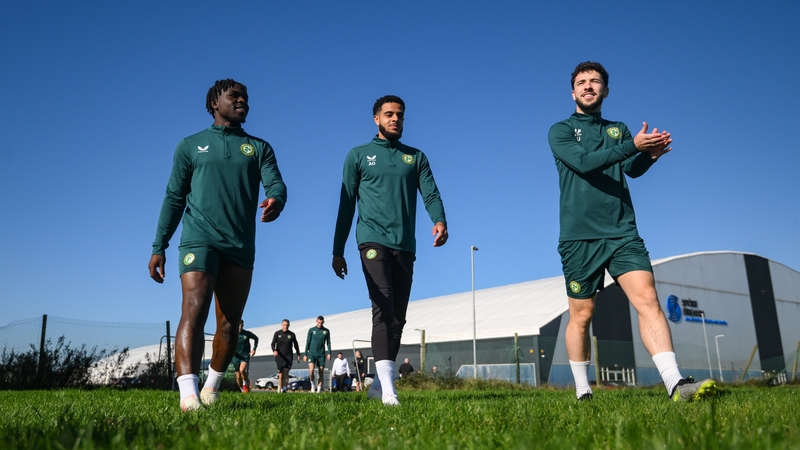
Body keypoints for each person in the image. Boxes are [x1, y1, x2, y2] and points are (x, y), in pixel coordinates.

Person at [548, 61, 716, 402]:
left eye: (595, 81)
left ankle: (675, 384)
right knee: (582, 314)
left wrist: (649, 156)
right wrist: (633, 147)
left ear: (606, 91)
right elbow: (584, 164)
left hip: (622, 232)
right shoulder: (560, 131)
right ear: (573, 92)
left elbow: (630, 169)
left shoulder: (618, 129)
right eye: (582, 82)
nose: (589, 86)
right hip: (580, 238)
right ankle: (583, 390)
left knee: (648, 298)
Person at [148, 79, 287, 411]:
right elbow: (174, 197)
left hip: (240, 245)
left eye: (246, 98)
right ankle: (188, 394)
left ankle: (211, 387)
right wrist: (159, 245)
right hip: (199, 238)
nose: (243, 102)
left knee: (229, 323)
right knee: (194, 308)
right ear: (214, 103)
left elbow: (276, 182)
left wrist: (277, 199)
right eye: (234, 96)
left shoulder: (259, 148)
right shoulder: (190, 146)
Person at [332, 95, 448, 406]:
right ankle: (389, 391)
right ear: (376, 119)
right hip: (371, 240)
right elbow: (346, 205)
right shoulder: (358, 155)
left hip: (404, 245)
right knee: (382, 306)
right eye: (388, 114)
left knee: (398, 318)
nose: (394, 119)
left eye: (399, 115)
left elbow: (431, 193)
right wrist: (337, 249)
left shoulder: (416, 157)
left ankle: (378, 384)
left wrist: (439, 220)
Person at [271, 319, 300, 392]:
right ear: (281, 325)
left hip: (288, 357)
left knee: (286, 372)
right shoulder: (277, 333)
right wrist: (274, 350)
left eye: (287, 325)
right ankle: (280, 389)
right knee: (280, 375)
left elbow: (296, 345)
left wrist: (298, 354)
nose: (285, 326)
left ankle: (284, 389)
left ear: (289, 325)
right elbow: (273, 344)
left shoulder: (292, 334)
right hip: (280, 357)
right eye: (284, 325)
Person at [304, 316, 332, 393]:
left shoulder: (326, 331)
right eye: (319, 322)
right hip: (312, 353)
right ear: (316, 321)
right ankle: (312, 384)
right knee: (311, 370)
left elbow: (328, 343)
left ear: (323, 322)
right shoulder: (311, 330)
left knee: (321, 372)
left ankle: (318, 391)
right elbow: (308, 342)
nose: (320, 324)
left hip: (321, 354)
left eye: (321, 323)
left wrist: (329, 353)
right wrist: (305, 354)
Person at [233, 320, 259, 392]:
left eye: (241, 326)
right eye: (239, 326)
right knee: (238, 377)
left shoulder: (246, 333)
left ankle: (245, 383)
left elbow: (256, 338)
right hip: (236, 357)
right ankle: (242, 389)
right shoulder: (233, 334)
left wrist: (254, 349)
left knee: (242, 369)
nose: (240, 327)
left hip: (245, 356)